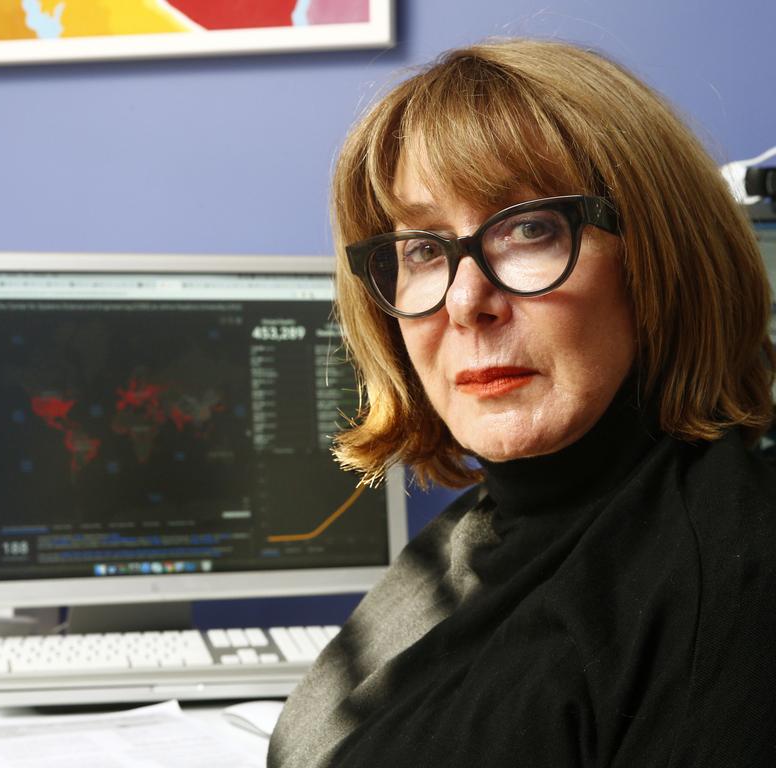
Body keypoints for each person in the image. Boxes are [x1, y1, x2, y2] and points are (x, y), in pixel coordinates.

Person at [267, 39, 776, 767]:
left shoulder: (730, 586)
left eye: (530, 228)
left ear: (662, 254)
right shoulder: (479, 537)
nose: (467, 301)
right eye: (420, 248)